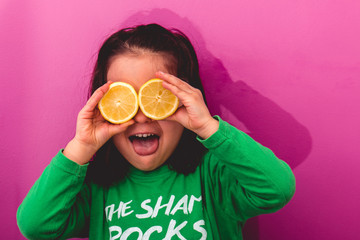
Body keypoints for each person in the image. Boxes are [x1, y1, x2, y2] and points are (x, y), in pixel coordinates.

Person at [17, 23, 296, 240]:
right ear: (104, 106)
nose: (140, 115)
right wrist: (81, 147)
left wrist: (209, 127)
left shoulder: (214, 175)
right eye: (124, 99)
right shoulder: (95, 188)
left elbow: (277, 189)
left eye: (157, 96)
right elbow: (35, 226)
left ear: (185, 100)